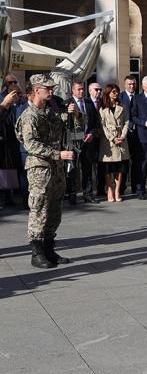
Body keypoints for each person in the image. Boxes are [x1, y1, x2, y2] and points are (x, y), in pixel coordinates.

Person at [15, 74, 83, 268]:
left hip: (56, 170)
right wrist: (57, 154)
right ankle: (36, 253)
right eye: (48, 88)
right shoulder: (30, 116)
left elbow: (68, 124)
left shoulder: (50, 112)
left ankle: (49, 248)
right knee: (39, 209)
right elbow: (31, 144)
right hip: (40, 170)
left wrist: (74, 113)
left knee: (54, 210)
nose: (52, 91)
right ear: (37, 90)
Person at [66, 81, 101, 204]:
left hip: (88, 141)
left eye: (83, 89)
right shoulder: (67, 103)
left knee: (87, 168)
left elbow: (96, 121)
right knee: (73, 169)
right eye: (79, 89)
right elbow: (66, 125)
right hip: (73, 142)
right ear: (73, 91)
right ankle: (72, 194)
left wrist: (92, 133)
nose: (81, 91)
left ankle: (88, 194)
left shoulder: (88, 102)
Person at [98, 84, 129, 202]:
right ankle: (110, 189)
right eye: (114, 92)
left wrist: (122, 136)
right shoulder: (102, 109)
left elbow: (126, 122)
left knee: (120, 169)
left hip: (121, 141)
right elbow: (103, 125)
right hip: (108, 143)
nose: (116, 94)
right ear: (108, 93)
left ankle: (117, 190)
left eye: (117, 91)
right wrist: (112, 138)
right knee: (108, 169)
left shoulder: (122, 107)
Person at [0, 77, 22, 208]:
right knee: (4, 168)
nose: (14, 84)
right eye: (11, 83)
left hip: (13, 139)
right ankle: (6, 197)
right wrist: (5, 105)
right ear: (5, 84)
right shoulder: (4, 98)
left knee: (10, 168)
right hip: (4, 139)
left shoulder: (17, 98)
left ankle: (11, 195)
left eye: (15, 82)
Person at [120, 75, 141, 195]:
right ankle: (122, 187)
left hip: (138, 134)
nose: (132, 86)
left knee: (137, 161)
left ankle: (136, 186)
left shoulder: (139, 97)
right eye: (129, 84)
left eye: (133, 84)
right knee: (124, 162)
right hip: (124, 134)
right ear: (125, 85)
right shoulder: (120, 97)